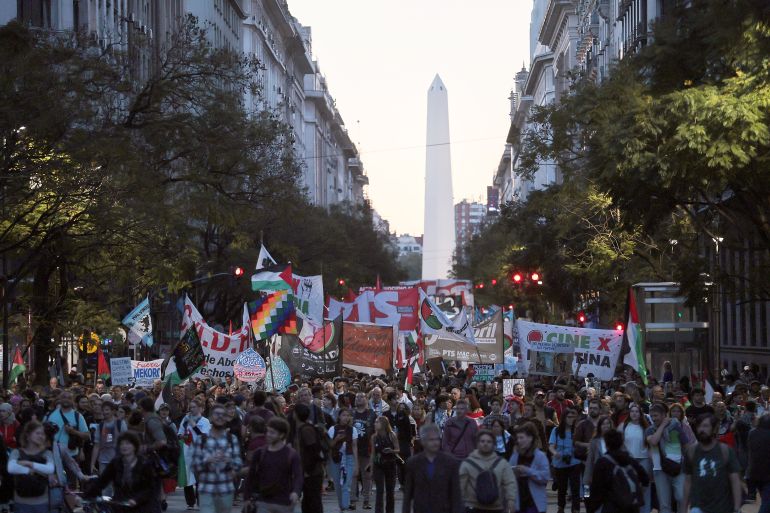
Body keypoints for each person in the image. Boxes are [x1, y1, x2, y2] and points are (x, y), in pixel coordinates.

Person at [85, 431, 160, 513]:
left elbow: (150, 488)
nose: (124, 446)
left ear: (134, 446)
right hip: (121, 505)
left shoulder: (144, 464)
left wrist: (137, 499)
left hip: (142, 507)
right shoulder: (116, 463)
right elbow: (101, 482)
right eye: (122, 444)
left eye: (128, 444)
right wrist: (85, 497)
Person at [683, 413, 742, 513]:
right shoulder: (691, 451)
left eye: (705, 426)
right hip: (698, 507)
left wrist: (736, 508)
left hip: (723, 507)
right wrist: (683, 508)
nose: (701, 429)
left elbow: (735, 481)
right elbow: (688, 482)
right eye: (699, 426)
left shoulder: (725, 451)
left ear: (714, 429)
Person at [244, 416, 302, 513]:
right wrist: (246, 498)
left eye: (272, 433)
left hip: (284, 503)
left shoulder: (291, 454)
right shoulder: (260, 453)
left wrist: (296, 492)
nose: (268, 435)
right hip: (263, 501)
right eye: (268, 431)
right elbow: (251, 476)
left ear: (282, 435)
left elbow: (298, 476)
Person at [190, 404, 242, 513]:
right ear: (211, 417)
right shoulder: (202, 439)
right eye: (216, 414)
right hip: (207, 490)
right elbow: (194, 465)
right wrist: (207, 460)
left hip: (226, 490)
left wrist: (229, 461)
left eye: (223, 415)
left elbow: (238, 465)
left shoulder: (232, 439)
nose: (219, 417)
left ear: (226, 418)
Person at [402, 422, 462, 513]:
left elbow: (456, 494)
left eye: (437, 439)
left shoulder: (450, 462)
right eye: (431, 440)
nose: (435, 443)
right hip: (421, 509)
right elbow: (408, 494)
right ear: (423, 441)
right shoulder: (413, 463)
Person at [586, 428, 649, 513]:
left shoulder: (602, 462)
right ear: (621, 443)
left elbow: (597, 489)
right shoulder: (629, 459)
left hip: (611, 505)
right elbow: (645, 478)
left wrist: (591, 508)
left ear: (606, 444)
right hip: (631, 505)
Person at [459, 429, 517, 513]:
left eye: (489, 441)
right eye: (482, 441)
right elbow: (461, 485)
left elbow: (509, 483)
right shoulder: (467, 463)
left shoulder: (502, 464)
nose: (485, 443)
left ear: (494, 444)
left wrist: (511, 500)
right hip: (473, 508)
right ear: (477, 443)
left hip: (496, 508)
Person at [646, 402, 688, 513]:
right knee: (664, 504)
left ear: (664, 415)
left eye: (656, 415)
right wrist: (663, 426)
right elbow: (654, 441)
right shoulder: (650, 430)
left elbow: (686, 444)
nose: (653, 418)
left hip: (678, 468)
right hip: (660, 470)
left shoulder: (676, 426)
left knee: (681, 497)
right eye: (652, 416)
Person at [7, 421, 55, 513]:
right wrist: (30, 470)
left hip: (41, 502)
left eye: (43, 434)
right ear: (28, 435)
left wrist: (29, 463)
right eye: (37, 433)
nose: (41, 436)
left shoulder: (46, 453)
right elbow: (11, 468)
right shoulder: (17, 452)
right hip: (21, 502)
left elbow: (50, 469)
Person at [509, 422, 550, 513]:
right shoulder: (515, 456)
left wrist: (527, 471)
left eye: (521, 437)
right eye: (518, 438)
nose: (519, 441)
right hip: (519, 504)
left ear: (530, 438)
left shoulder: (540, 456)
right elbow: (508, 478)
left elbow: (545, 477)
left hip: (535, 504)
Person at [178, 399, 211, 510]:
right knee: (188, 478)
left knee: (199, 478)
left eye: (194, 407)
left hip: (200, 452)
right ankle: (190, 502)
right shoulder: (186, 419)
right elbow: (179, 433)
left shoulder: (205, 421)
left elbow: (203, 436)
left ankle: (200, 501)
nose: (192, 409)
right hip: (187, 451)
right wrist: (183, 436)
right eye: (190, 407)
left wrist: (194, 425)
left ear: (200, 408)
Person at [549, 406, 582, 513]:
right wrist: (555, 453)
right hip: (560, 463)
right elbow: (551, 446)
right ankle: (561, 507)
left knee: (575, 488)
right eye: (569, 417)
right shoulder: (556, 430)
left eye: (573, 417)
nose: (571, 419)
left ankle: (576, 509)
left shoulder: (577, 431)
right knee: (562, 489)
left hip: (574, 462)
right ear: (564, 418)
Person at [292, 404, 324, 513]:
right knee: (307, 503)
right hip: (308, 472)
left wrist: (308, 470)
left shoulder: (306, 430)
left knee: (313, 503)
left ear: (296, 414)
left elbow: (313, 451)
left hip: (312, 473)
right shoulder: (301, 429)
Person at [328, 407, 359, 511]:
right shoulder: (333, 429)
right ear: (339, 417)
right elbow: (329, 445)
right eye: (343, 415)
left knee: (346, 484)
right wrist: (337, 439)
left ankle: (345, 506)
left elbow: (354, 446)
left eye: (347, 415)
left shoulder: (353, 429)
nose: (345, 417)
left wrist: (356, 464)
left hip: (349, 458)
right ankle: (342, 505)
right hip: (336, 458)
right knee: (338, 484)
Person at [623, 403, 652, 513]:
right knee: (630, 487)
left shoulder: (646, 427)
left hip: (643, 459)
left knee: (645, 488)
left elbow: (649, 445)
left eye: (636, 411)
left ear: (640, 414)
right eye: (632, 411)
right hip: (629, 460)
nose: (634, 414)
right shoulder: (625, 426)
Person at [369, 416, 399, 513]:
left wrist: (391, 451)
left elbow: (398, 449)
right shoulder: (374, 437)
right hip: (379, 465)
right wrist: (371, 470)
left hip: (390, 464)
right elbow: (373, 454)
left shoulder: (392, 435)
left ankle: (390, 511)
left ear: (383, 424)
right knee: (379, 490)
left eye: (377, 422)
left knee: (390, 491)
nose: (375, 424)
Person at [352, 392, 376, 510]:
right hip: (352, 450)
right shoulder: (351, 413)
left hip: (367, 449)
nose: (359, 398)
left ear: (367, 399)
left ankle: (366, 500)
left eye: (361, 397)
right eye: (357, 397)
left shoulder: (372, 414)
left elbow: (376, 431)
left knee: (367, 476)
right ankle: (352, 500)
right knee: (353, 475)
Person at [746, 413, 770, 513]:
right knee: (767, 502)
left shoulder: (752, 433)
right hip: (768, 474)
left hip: (754, 473)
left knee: (766, 500)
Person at [582, 415, 613, 490]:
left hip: (612, 473)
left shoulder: (615, 439)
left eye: (607, 423)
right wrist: (586, 480)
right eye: (603, 424)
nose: (606, 426)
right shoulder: (594, 441)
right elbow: (590, 460)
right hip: (599, 473)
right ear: (599, 426)